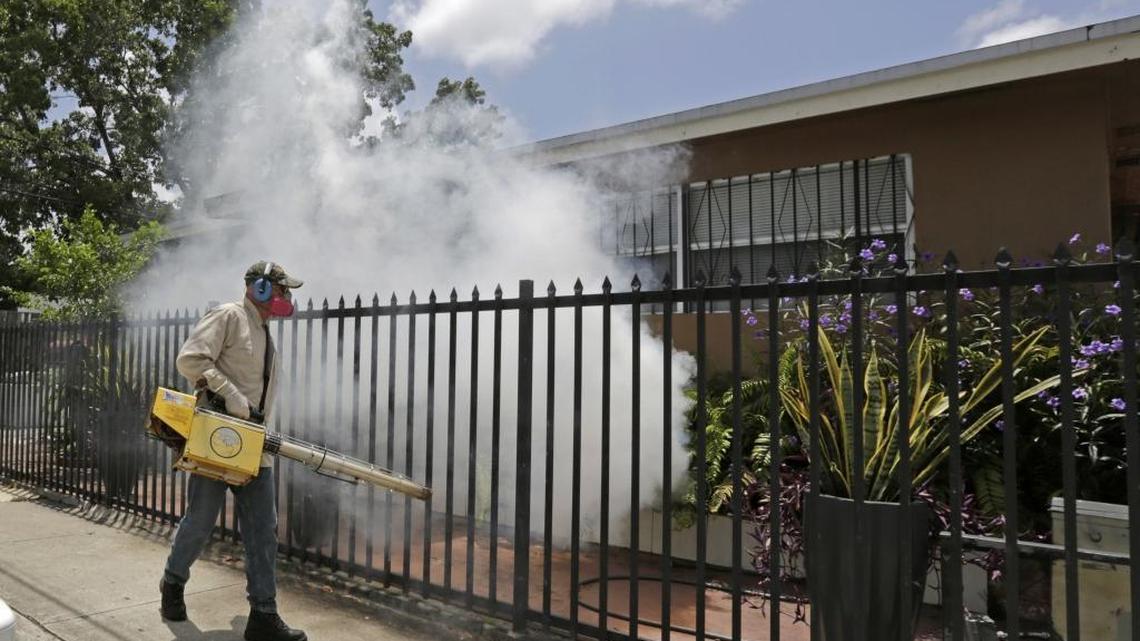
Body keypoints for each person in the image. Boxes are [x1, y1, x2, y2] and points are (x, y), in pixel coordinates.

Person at [159, 261, 306, 641]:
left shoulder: (266, 334)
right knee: (201, 520)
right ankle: (172, 582)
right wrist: (231, 395)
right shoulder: (228, 316)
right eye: (280, 289)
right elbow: (190, 360)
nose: (285, 297)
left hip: (253, 445)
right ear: (259, 288)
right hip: (217, 439)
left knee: (263, 529)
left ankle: (263, 615)